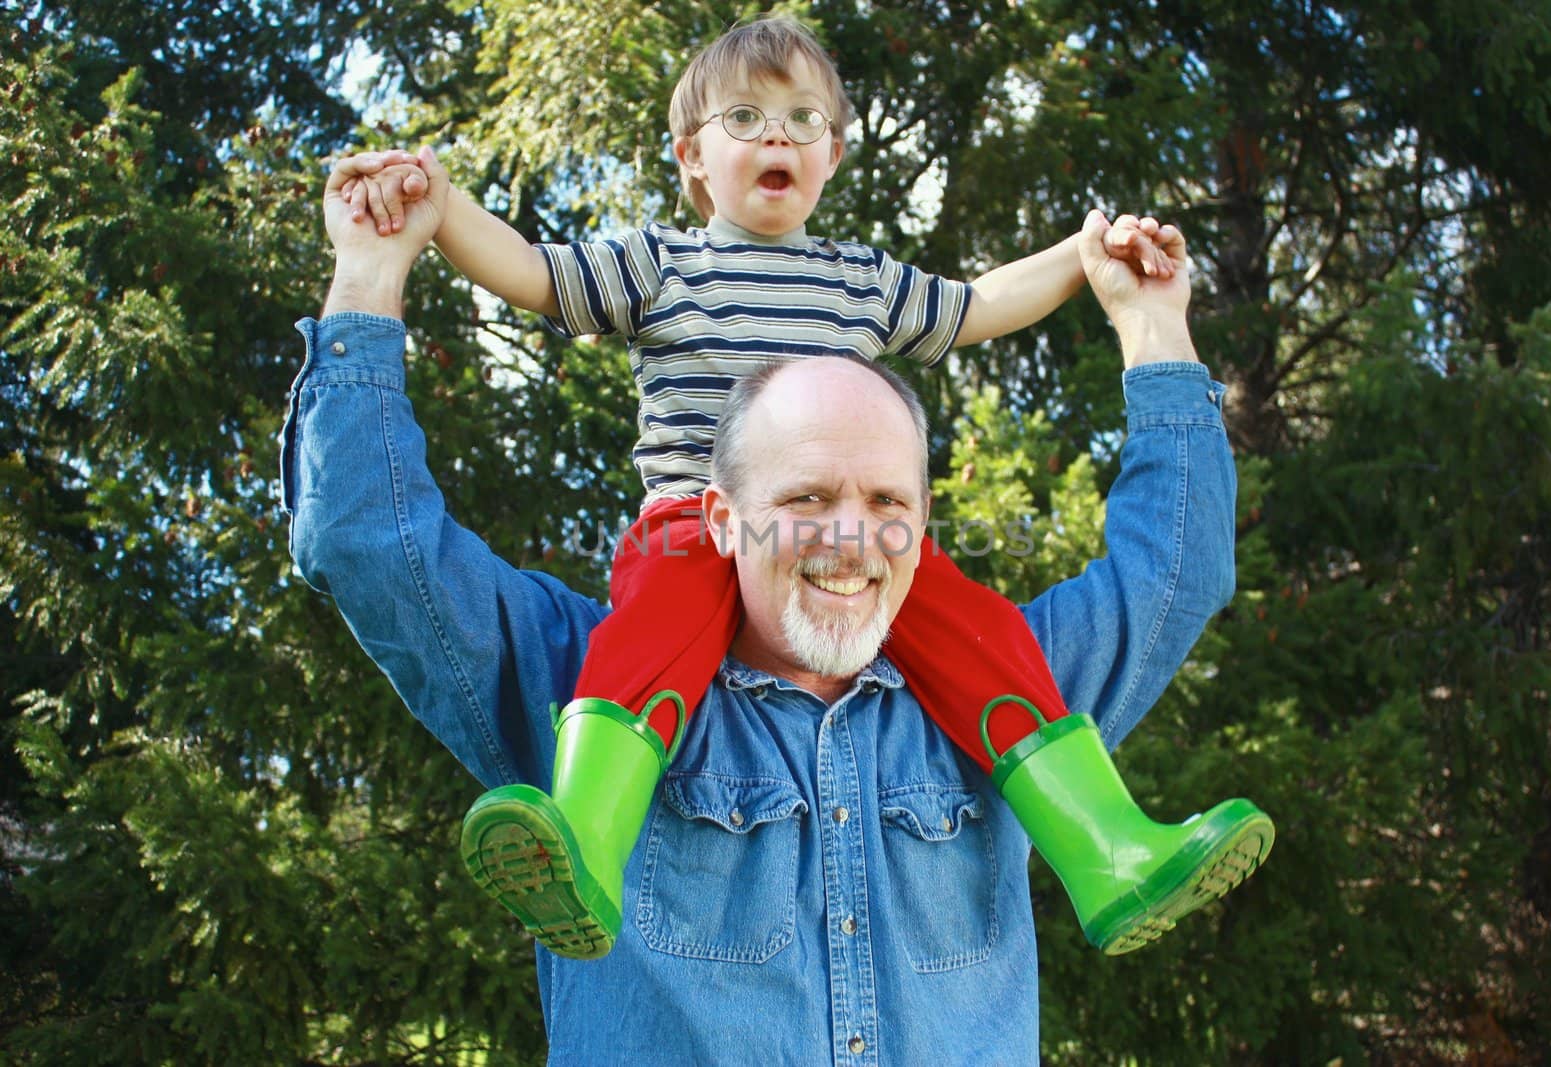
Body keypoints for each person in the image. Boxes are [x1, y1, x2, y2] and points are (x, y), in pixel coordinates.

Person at [327, 13, 1272, 965]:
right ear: (691, 156)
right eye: (745, 117)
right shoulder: (661, 266)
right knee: (647, 638)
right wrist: (440, 213)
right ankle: (588, 840)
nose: (776, 134)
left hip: (859, 552)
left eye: (802, 119)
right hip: (691, 525)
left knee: (987, 636)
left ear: (833, 155)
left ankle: (1107, 850)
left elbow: (981, 306)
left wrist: (1084, 257)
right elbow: (531, 273)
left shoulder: (859, 281)